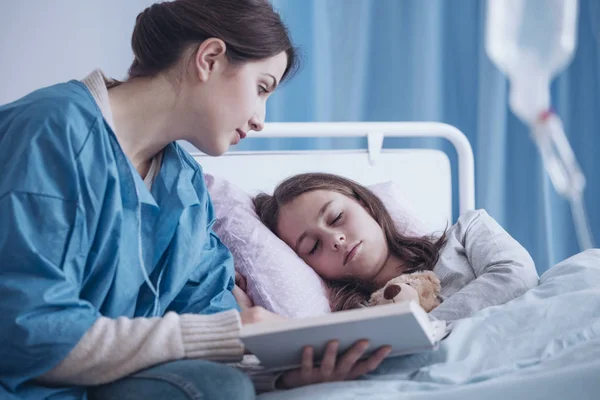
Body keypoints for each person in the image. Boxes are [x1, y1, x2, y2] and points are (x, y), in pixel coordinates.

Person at [0, 1, 388, 399]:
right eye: (261, 88)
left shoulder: (184, 185)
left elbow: (209, 321)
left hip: (99, 384)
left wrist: (283, 378)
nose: (260, 119)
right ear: (210, 58)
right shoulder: (50, 131)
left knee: (223, 384)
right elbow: (25, 329)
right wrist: (230, 332)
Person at [253, 173, 540, 323]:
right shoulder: (361, 320)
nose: (335, 240)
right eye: (314, 246)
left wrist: (423, 329)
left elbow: (517, 277)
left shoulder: (469, 230)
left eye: (337, 217)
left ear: (364, 204)